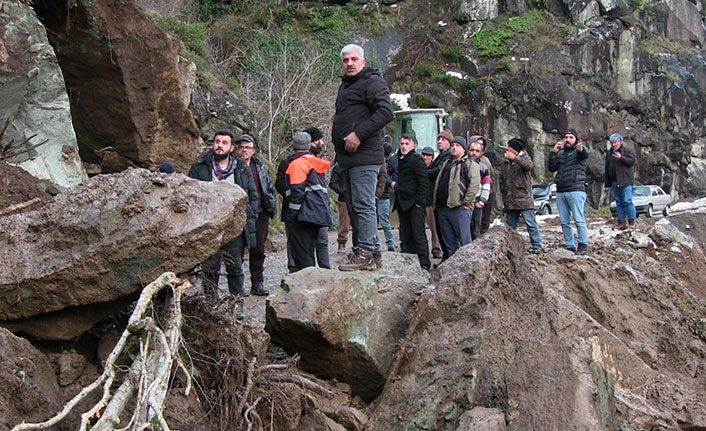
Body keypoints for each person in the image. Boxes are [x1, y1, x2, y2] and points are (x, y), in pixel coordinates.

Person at [332, 43, 394, 271]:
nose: (349, 63)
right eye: (346, 60)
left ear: (363, 62)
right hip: (348, 159)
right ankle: (372, 251)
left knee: (363, 204)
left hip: (366, 156)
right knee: (355, 205)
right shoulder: (347, 86)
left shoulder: (372, 81)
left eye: (353, 59)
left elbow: (386, 111)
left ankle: (366, 251)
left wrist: (358, 134)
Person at [188, 130, 258, 297]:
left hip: (233, 227)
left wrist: (245, 215)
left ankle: (237, 303)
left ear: (232, 147)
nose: (219, 145)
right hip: (208, 227)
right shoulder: (200, 167)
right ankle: (212, 305)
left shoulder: (241, 168)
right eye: (217, 142)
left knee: (235, 267)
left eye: (224, 142)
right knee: (210, 269)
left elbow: (253, 196)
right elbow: (189, 194)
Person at [284, 132, 333, 271]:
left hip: (303, 215)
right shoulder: (316, 163)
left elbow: (297, 192)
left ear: (294, 146)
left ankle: (307, 286)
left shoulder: (297, 164)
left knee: (302, 254)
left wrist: (291, 215)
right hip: (317, 214)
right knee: (310, 250)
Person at [236, 134, 273, 295]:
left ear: (254, 151)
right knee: (236, 251)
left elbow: (268, 188)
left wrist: (270, 207)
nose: (244, 150)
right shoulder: (232, 167)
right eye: (241, 147)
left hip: (259, 214)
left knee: (258, 250)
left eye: (248, 147)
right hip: (238, 215)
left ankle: (257, 283)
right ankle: (237, 286)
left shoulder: (261, 167)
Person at [432, 136, 479, 257]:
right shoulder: (445, 163)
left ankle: (469, 268)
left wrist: (467, 203)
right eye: (452, 145)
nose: (454, 148)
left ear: (464, 150)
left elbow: (473, 185)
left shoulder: (470, 164)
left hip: (460, 208)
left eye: (457, 146)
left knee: (465, 241)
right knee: (449, 242)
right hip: (443, 207)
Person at [391, 134, 430, 269]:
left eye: (407, 143)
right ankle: (411, 262)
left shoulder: (416, 160)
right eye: (402, 143)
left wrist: (419, 201)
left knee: (418, 234)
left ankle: (424, 262)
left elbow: (423, 181)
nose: (404, 146)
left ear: (413, 145)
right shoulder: (400, 159)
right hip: (403, 201)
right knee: (406, 234)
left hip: (414, 202)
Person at [548, 128, 589, 255]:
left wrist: (581, 149)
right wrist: (553, 153)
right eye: (566, 137)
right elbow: (551, 168)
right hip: (561, 190)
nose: (568, 140)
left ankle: (583, 244)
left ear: (576, 139)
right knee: (564, 221)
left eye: (571, 137)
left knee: (578, 219)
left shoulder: (579, 152)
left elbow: (584, 154)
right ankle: (569, 244)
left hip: (576, 189)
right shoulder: (560, 153)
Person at [499, 138, 543, 253]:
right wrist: (503, 193)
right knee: (510, 227)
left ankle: (537, 246)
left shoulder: (525, 158)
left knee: (531, 224)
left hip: (524, 198)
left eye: (509, 146)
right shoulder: (505, 162)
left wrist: (515, 159)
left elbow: (528, 166)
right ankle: (511, 248)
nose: (507, 148)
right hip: (510, 199)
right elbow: (501, 178)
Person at [305, 126, 332, 269]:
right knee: (310, 243)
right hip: (309, 208)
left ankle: (325, 271)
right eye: (318, 140)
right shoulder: (303, 161)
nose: (321, 143)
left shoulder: (318, 161)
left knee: (322, 242)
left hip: (321, 206)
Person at [428, 129, 455, 260]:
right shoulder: (441, 156)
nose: (439, 141)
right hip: (437, 198)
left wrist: (424, 173)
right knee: (439, 229)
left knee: (446, 232)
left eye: (443, 139)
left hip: (444, 199)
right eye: (439, 139)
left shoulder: (447, 157)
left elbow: (437, 172)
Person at [605, 133, 637, 229]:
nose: (614, 145)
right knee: (619, 202)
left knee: (627, 201)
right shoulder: (609, 153)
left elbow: (632, 161)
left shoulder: (627, 150)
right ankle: (621, 222)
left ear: (620, 142)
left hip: (626, 180)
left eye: (615, 142)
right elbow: (607, 166)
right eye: (612, 143)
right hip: (614, 181)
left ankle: (632, 221)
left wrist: (621, 158)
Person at [469, 135, 496, 234]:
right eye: (472, 149)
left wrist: (483, 199)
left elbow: (489, 178)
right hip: (468, 200)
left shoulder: (485, 162)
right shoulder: (464, 162)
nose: (474, 153)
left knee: (482, 223)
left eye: (481, 146)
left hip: (484, 195)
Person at [420, 146, 442, 258]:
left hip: (430, 202)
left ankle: (436, 248)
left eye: (428, 155)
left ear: (432, 157)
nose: (425, 157)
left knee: (434, 228)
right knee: (419, 228)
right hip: (420, 201)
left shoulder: (435, 169)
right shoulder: (418, 167)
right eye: (423, 155)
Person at [376, 143, 395, 252]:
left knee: (384, 222)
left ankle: (390, 244)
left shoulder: (386, 165)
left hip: (383, 196)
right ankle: (384, 243)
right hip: (382, 197)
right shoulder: (388, 163)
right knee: (382, 222)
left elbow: (384, 179)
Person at [329, 161, 350, 253]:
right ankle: (342, 243)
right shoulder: (338, 167)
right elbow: (332, 183)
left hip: (357, 197)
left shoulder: (358, 164)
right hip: (344, 199)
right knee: (344, 223)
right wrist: (343, 193)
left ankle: (360, 245)